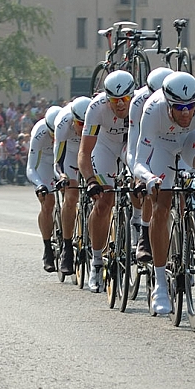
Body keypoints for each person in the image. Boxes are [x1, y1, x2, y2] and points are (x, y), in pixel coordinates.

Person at [134, 71, 195, 315]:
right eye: (179, 107)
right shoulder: (152, 109)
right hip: (162, 146)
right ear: (168, 103)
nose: (186, 112)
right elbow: (138, 162)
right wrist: (149, 178)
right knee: (161, 205)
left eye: (190, 106)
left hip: (191, 139)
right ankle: (160, 286)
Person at [78, 70, 136, 293]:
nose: (120, 105)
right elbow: (84, 152)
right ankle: (96, 261)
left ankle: (137, 227)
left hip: (129, 146)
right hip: (104, 147)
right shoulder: (96, 108)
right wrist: (91, 180)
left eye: (124, 99)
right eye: (114, 100)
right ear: (106, 98)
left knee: (140, 186)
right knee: (103, 203)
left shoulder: (140, 103)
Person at [127, 67, 174, 263]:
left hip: (172, 141)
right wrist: (139, 175)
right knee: (150, 185)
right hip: (147, 141)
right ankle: (144, 233)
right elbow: (133, 148)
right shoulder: (138, 103)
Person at [54, 96, 91, 276]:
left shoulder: (95, 118)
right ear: (73, 120)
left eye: (86, 125)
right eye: (79, 124)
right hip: (70, 152)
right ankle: (67, 247)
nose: (83, 128)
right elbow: (57, 160)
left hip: (91, 150)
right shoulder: (63, 122)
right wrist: (61, 176)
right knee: (71, 196)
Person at [26, 105, 62, 272]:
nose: (55, 137)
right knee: (48, 203)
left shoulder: (67, 125)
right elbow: (31, 167)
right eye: (52, 134)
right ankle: (48, 248)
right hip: (45, 163)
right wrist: (40, 185)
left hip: (62, 159)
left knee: (73, 195)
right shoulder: (39, 132)